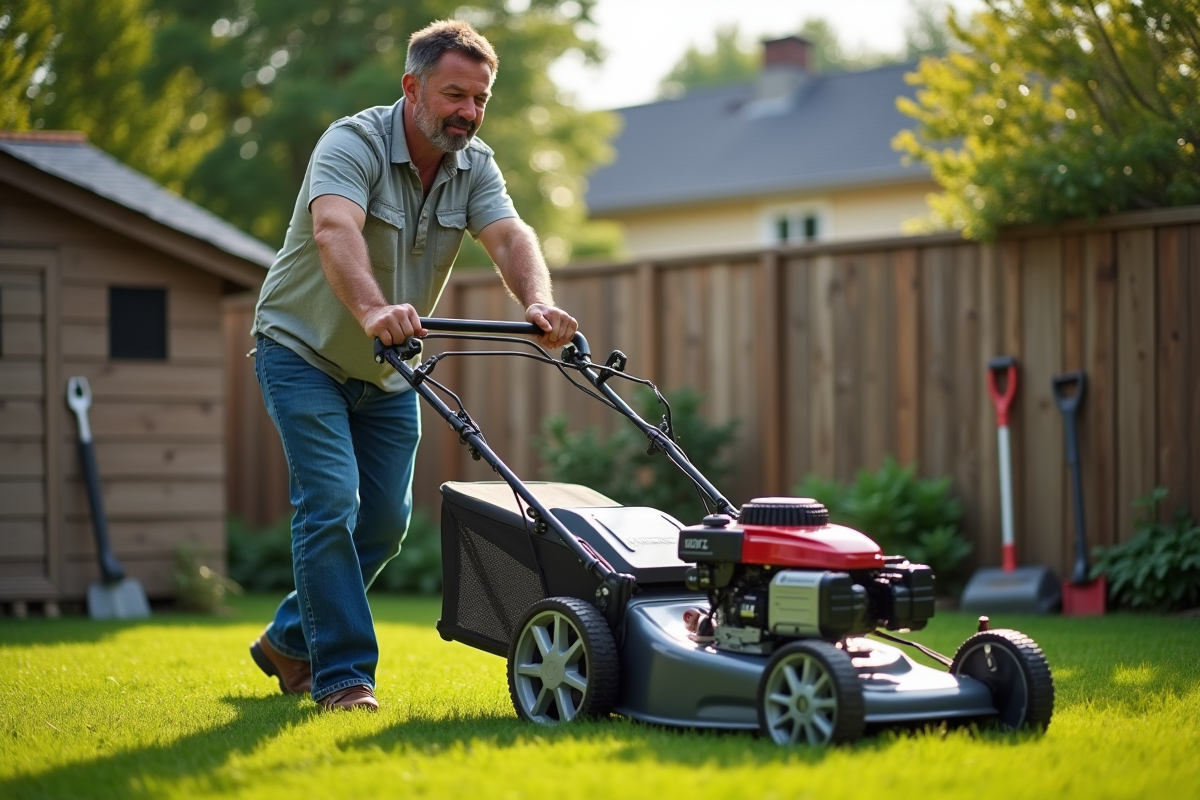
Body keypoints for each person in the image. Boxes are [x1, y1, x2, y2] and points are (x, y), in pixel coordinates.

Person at [247, 19, 578, 712]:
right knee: (332, 502)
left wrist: (539, 302)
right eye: (455, 93)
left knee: (385, 526)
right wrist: (372, 309)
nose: (468, 111)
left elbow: (510, 235)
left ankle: (285, 641)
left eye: (480, 98)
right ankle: (341, 677)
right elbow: (333, 228)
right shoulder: (352, 142)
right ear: (412, 86)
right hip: (303, 349)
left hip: (389, 369)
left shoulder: (475, 165)